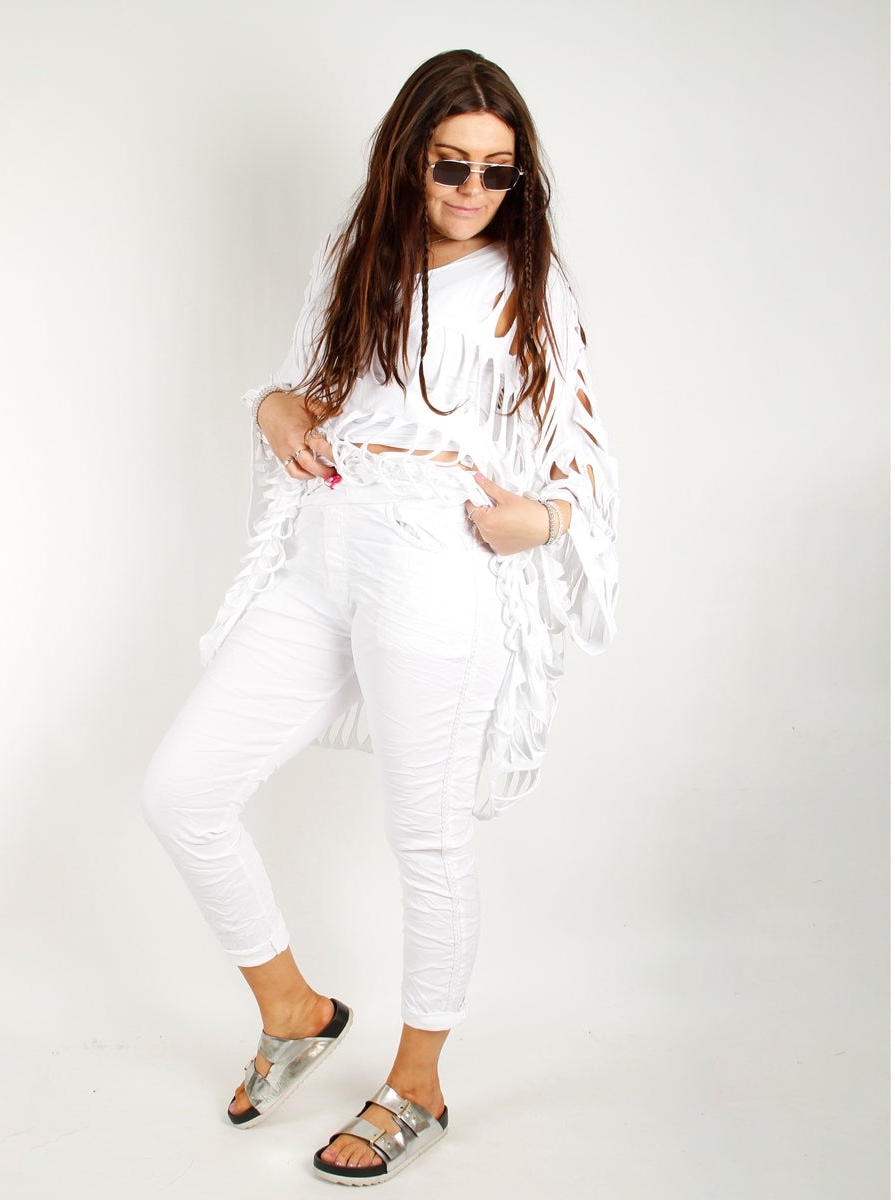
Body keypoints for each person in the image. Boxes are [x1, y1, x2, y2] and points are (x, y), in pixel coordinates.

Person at [142, 48, 618, 1186]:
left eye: (497, 172)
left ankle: (418, 1083)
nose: (472, 189)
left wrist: (544, 521)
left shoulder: (527, 283)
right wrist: (271, 406)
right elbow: (315, 388)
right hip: (326, 545)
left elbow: (586, 460)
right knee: (183, 791)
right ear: (409, 158)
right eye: (452, 164)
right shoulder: (355, 253)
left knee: (426, 834)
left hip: (435, 561)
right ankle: (294, 1008)